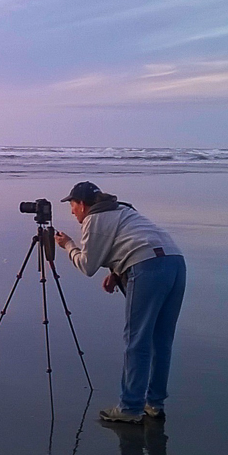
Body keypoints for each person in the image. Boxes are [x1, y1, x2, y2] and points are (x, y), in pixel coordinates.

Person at [54, 181, 186, 424]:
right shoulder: (124, 210)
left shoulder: (94, 220)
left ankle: (130, 408)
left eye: (72, 205)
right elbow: (133, 239)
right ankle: (154, 404)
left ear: (82, 204)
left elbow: (87, 266)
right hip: (175, 262)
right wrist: (116, 273)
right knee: (162, 339)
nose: (72, 212)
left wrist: (68, 245)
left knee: (137, 340)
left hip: (147, 267)